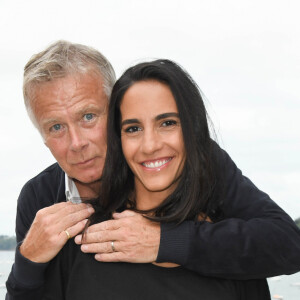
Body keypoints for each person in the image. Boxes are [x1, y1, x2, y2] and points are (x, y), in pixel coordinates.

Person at [6, 41, 300, 299]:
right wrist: (28, 261)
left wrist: (166, 240)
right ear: (42, 138)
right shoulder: (41, 198)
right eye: (56, 127)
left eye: (88, 116)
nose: (77, 143)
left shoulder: (191, 160)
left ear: (117, 112)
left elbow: (286, 244)